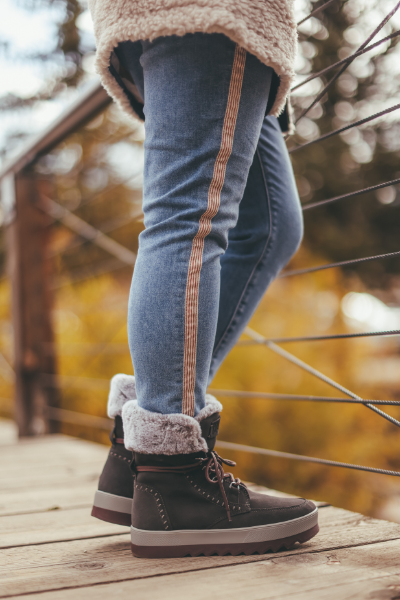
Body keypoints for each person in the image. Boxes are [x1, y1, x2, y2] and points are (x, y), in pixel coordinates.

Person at [88, 0, 319, 558]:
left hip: (188, 16)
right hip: (212, 10)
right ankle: (174, 476)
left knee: (268, 226)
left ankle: (137, 455)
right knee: (187, 218)